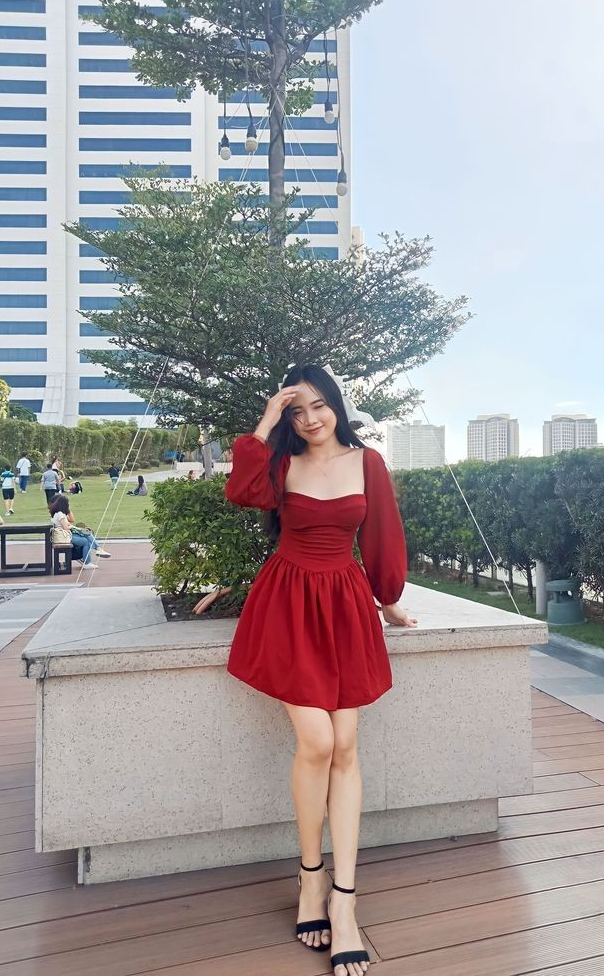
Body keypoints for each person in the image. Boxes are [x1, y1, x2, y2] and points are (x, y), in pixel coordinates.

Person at [224, 363, 417, 976]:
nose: (309, 420)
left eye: (318, 406)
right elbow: (242, 492)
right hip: (287, 603)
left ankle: (344, 900)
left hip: (344, 606)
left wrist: (388, 600)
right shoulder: (281, 464)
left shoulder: (369, 463)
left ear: (337, 404)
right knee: (317, 740)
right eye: (295, 411)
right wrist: (263, 425)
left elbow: (382, 537)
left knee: (346, 746)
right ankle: (311, 878)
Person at [49, 494, 110, 568]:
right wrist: (73, 527)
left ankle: (92, 556)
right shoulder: (60, 514)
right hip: (65, 536)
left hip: (65, 535)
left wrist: (70, 519)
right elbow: (66, 527)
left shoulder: (57, 514)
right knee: (86, 538)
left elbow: (71, 520)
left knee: (86, 534)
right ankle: (93, 555)